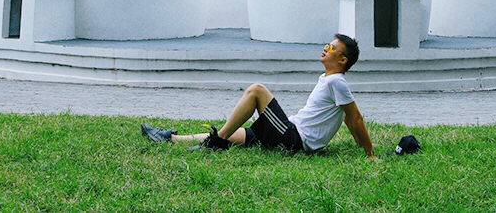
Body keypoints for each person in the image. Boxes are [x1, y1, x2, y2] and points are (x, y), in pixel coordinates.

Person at [141, 33, 375, 159]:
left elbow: (355, 118)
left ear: (343, 60)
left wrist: (369, 153)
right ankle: (170, 138)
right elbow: (346, 117)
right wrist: (357, 144)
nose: (326, 48)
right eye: (327, 44)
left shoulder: (337, 81)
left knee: (257, 91)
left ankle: (216, 143)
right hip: (290, 132)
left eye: (332, 48)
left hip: (295, 140)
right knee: (238, 134)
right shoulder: (328, 79)